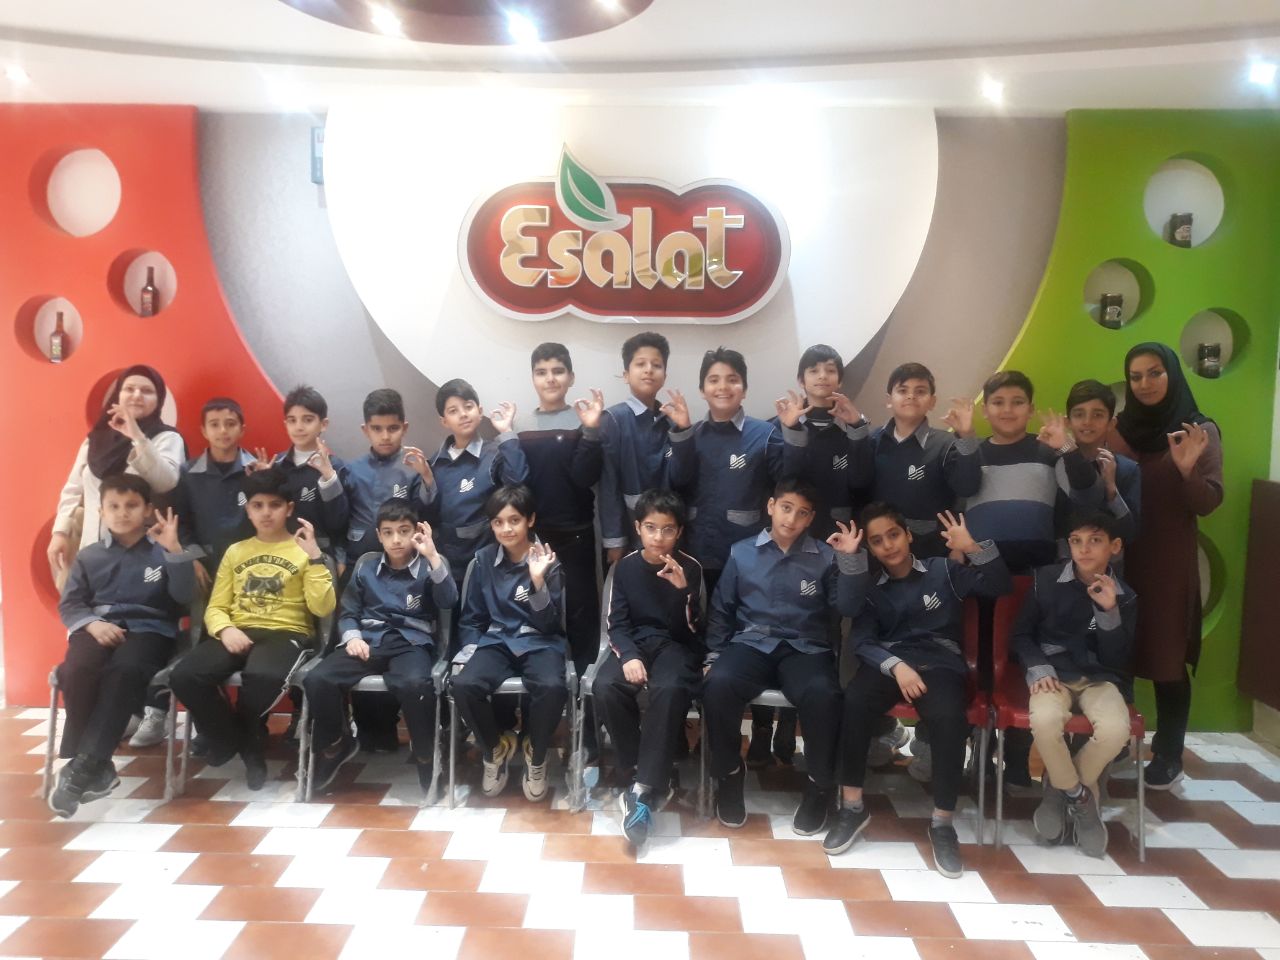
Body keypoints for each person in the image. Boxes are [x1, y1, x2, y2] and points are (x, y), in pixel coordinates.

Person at [823, 505, 1012, 880]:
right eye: (877, 541)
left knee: (949, 718)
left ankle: (942, 823)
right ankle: (852, 807)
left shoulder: (944, 571)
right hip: (891, 662)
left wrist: (971, 547)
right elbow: (862, 641)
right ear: (871, 549)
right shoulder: (871, 588)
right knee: (855, 700)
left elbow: (1000, 586)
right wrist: (896, 666)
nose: (888, 545)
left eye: (894, 534)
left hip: (940, 663)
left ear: (908, 535)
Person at [701, 477, 863, 835]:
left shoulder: (825, 557)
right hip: (751, 644)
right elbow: (722, 610)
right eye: (786, 508)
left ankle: (819, 786)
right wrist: (713, 657)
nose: (791, 519)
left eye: (802, 513)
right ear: (771, 506)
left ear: (811, 518)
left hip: (805, 648)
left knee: (824, 695)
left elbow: (848, 608)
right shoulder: (741, 552)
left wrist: (850, 560)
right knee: (718, 685)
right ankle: (729, 774)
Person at [169, 467, 336, 790]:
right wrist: (225, 630)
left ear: (289, 508)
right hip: (237, 629)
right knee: (185, 675)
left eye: (274, 505)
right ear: (247, 509)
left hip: (286, 633)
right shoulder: (236, 551)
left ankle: (246, 743)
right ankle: (234, 740)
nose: (266, 513)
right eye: (257, 505)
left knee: (262, 677)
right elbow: (216, 607)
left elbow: (322, 608)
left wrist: (316, 558)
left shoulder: (304, 551)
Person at [1107, 342, 1222, 789]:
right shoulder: (1118, 430)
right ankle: (1116, 741)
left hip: (1168, 562)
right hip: (1119, 558)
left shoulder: (1198, 430)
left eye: (1155, 373)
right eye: (1136, 376)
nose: (1145, 384)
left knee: (1167, 656)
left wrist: (1188, 471)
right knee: (1115, 652)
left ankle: (1169, 752)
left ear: (1172, 374)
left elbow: (1207, 503)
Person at [49, 476, 196, 817]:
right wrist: (92, 624)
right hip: (96, 628)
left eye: (131, 506)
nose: (122, 513)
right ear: (101, 511)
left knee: (125, 670)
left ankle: (84, 764)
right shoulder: (89, 556)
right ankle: (96, 764)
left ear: (147, 510)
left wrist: (175, 552)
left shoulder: (164, 550)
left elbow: (185, 597)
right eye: (113, 506)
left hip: (149, 631)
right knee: (76, 669)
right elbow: (71, 604)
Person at [302, 502, 457, 795]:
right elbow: (349, 611)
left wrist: (433, 556)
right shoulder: (366, 567)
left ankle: (426, 756)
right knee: (318, 679)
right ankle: (336, 744)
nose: (396, 539)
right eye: (388, 532)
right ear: (378, 535)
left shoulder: (429, 565)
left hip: (411, 643)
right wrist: (353, 637)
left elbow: (448, 601)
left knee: (415, 685)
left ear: (416, 532)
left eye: (404, 531)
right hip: (368, 641)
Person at [1013, 509, 1136, 857]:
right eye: (1076, 541)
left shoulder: (1125, 595)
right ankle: (1081, 799)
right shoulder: (1046, 579)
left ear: (1115, 546)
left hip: (1100, 679)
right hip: (1053, 674)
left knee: (1116, 730)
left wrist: (1109, 611)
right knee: (1045, 721)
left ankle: (1059, 788)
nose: (1084, 549)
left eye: (1095, 540)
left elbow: (1116, 659)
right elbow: (1021, 635)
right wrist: (1038, 668)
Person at [596, 488, 704, 846]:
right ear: (638, 528)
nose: (659, 537)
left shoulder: (690, 567)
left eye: (668, 529)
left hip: (675, 646)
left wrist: (683, 593)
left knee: (669, 688)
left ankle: (642, 788)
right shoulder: (625, 568)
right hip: (635, 644)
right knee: (605, 686)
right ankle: (640, 770)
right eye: (651, 528)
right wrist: (628, 655)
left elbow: (693, 632)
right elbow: (615, 623)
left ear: (679, 531)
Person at [451, 485, 566, 802]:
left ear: (530, 520)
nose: (506, 529)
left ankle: (536, 754)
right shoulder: (483, 561)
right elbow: (472, 618)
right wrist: (469, 655)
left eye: (514, 520)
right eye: (498, 522)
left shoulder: (548, 560)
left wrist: (538, 580)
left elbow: (550, 624)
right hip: (498, 640)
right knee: (463, 685)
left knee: (553, 687)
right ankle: (495, 749)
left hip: (540, 641)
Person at [339, 388, 435, 753]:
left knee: (399, 648)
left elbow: (428, 512)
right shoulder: (351, 469)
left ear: (404, 427)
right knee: (363, 645)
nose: (385, 436)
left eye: (392, 428)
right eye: (377, 428)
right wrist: (339, 554)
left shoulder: (412, 466)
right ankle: (373, 733)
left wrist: (427, 478)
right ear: (365, 430)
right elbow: (339, 516)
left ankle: (406, 729)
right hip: (361, 565)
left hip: (404, 569)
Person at [518, 343, 605, 717]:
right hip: (534, 541)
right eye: (542, 372)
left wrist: (591, 431)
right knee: (537, 617)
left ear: (570, 377)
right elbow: (517, 484)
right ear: (533, 378)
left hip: (578, 535)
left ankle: (586, 712)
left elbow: (586, 477)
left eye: (557, 371)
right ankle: (543, 708)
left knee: (583, 620)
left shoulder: (583, 420)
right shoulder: (520, 427)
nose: (550, 378)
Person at [48, 365, 186, 586]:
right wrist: (60, 532)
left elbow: (166, 481)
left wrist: (138, 437)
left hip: (138, 556)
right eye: (129, 389)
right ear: (118, 395)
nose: (137, 395)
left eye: (147, 391)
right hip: (91, 550)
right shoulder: (96, 438)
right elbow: (73, 488)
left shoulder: (167, 438)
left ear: (159, 399)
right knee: (81, 604)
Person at [665, 347, 785, 594]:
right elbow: (678, 481)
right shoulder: (691, 433)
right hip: (697, 548)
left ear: (745, 389)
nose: (723, 387)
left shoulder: (765, 435)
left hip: (748, 552)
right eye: (713, 380)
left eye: (732, 379)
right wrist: (683, 433)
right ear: (702, 390)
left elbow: (788, 484)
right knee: (697, 612)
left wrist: (793, 432)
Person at [848, 362, 980, 560]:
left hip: (932, 551)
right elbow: (857, 484)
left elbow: (967, 489)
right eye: (903, 390)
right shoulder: (872, 440)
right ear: (889, 400)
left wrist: (967, 436)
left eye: (920, 391)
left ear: (932, 402)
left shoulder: (946, 444)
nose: (911, 396)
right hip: (881, 552)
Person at [424, 379, 528, 601]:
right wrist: (426, 480)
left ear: (480, 411)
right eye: (453, 411)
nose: (463, 414)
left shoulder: (495, 453)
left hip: (487, 562)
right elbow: (429, 515)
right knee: (451, 616)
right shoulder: (435, 463)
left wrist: (507, 432)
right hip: (448, 564)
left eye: (468, 406)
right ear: (444, 421)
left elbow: (518, 486)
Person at [599, 332, 674, 564]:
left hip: (667, 532)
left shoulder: (671, 419)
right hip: (628, 531)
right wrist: (615, 540)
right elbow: (608, 483)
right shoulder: (613, 419)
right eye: (640, 364)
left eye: (656, 365)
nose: (649, 370)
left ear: (664, 376)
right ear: (626, 375)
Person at [257, 385, 349, 563]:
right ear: (285, 424)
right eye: (292, 420)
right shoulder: (277, 466)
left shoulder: (336, 467)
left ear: (323, 424)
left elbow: (339, 524)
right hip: (280, 555)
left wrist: (328, 477)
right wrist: (263, 482)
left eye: (307, 420)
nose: (299, 427)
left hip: (321, 554)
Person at [1061, 380, 1141, 549]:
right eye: (1079, 414)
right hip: (1061, 562)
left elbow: (1129, 534)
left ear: (1111, 424)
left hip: (1109, 562)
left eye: (1097, 415)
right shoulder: (1056, 464)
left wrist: (1112, 490)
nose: (1087, 422)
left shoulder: (1127, 469)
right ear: (1067, 422)